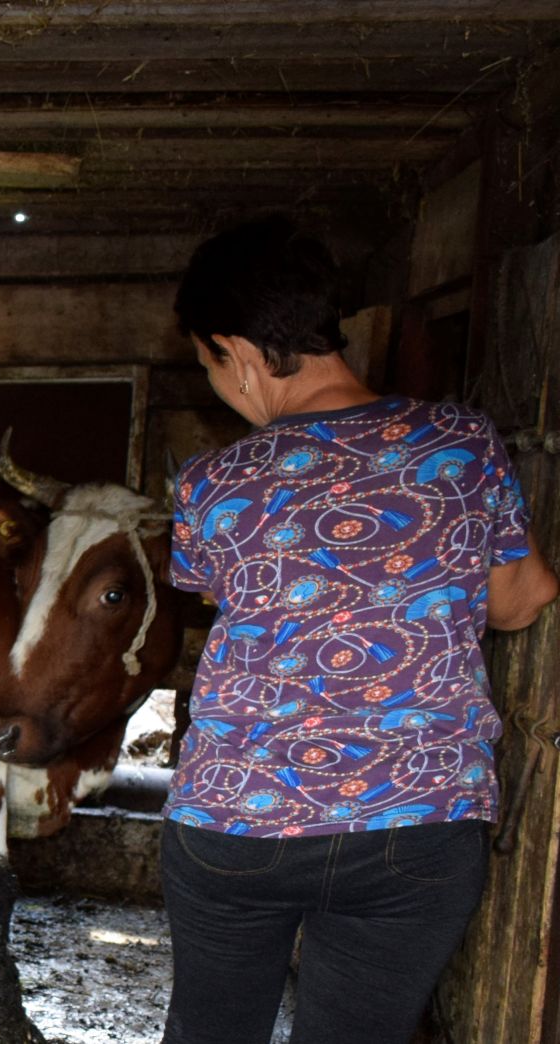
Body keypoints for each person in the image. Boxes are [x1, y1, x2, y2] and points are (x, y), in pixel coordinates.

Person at [160, 216, 558, 1043]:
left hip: (238, 819)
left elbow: (215, 594)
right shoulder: (463, 443)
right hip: (417, 824)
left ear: (233, 350)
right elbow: (522, 601)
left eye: (207, 364)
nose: (216, 385)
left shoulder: (211, 481)